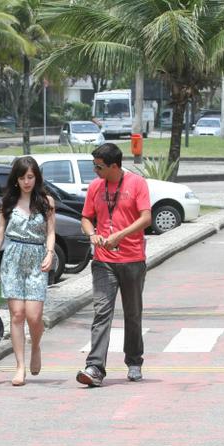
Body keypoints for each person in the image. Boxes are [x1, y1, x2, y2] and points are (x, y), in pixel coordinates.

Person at [76, 143, 151, 387]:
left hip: (132, 259)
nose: (95, 171)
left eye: (99, 167)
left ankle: (134, 361)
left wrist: (120, 235)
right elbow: (86, 218)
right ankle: (95, 367)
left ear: (114, 166)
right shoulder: (96, 187)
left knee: (132, 313)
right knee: (102, 312)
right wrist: (92, 235)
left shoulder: (137, 184)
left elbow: (146, 218)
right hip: (103, 261)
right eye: (94, 165)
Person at [0, 156, 56, 386]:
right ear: (16, 179)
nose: (26, 182)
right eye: (22, 177)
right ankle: (20, 366)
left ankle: (36, 346)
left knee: (34, 317)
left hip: (36, 259)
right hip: (12, 260)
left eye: (30, 177)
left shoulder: (46, 202)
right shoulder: (8, 203)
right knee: (17, 315)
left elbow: (51, 232)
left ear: (37, 178)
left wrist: (50, 253)